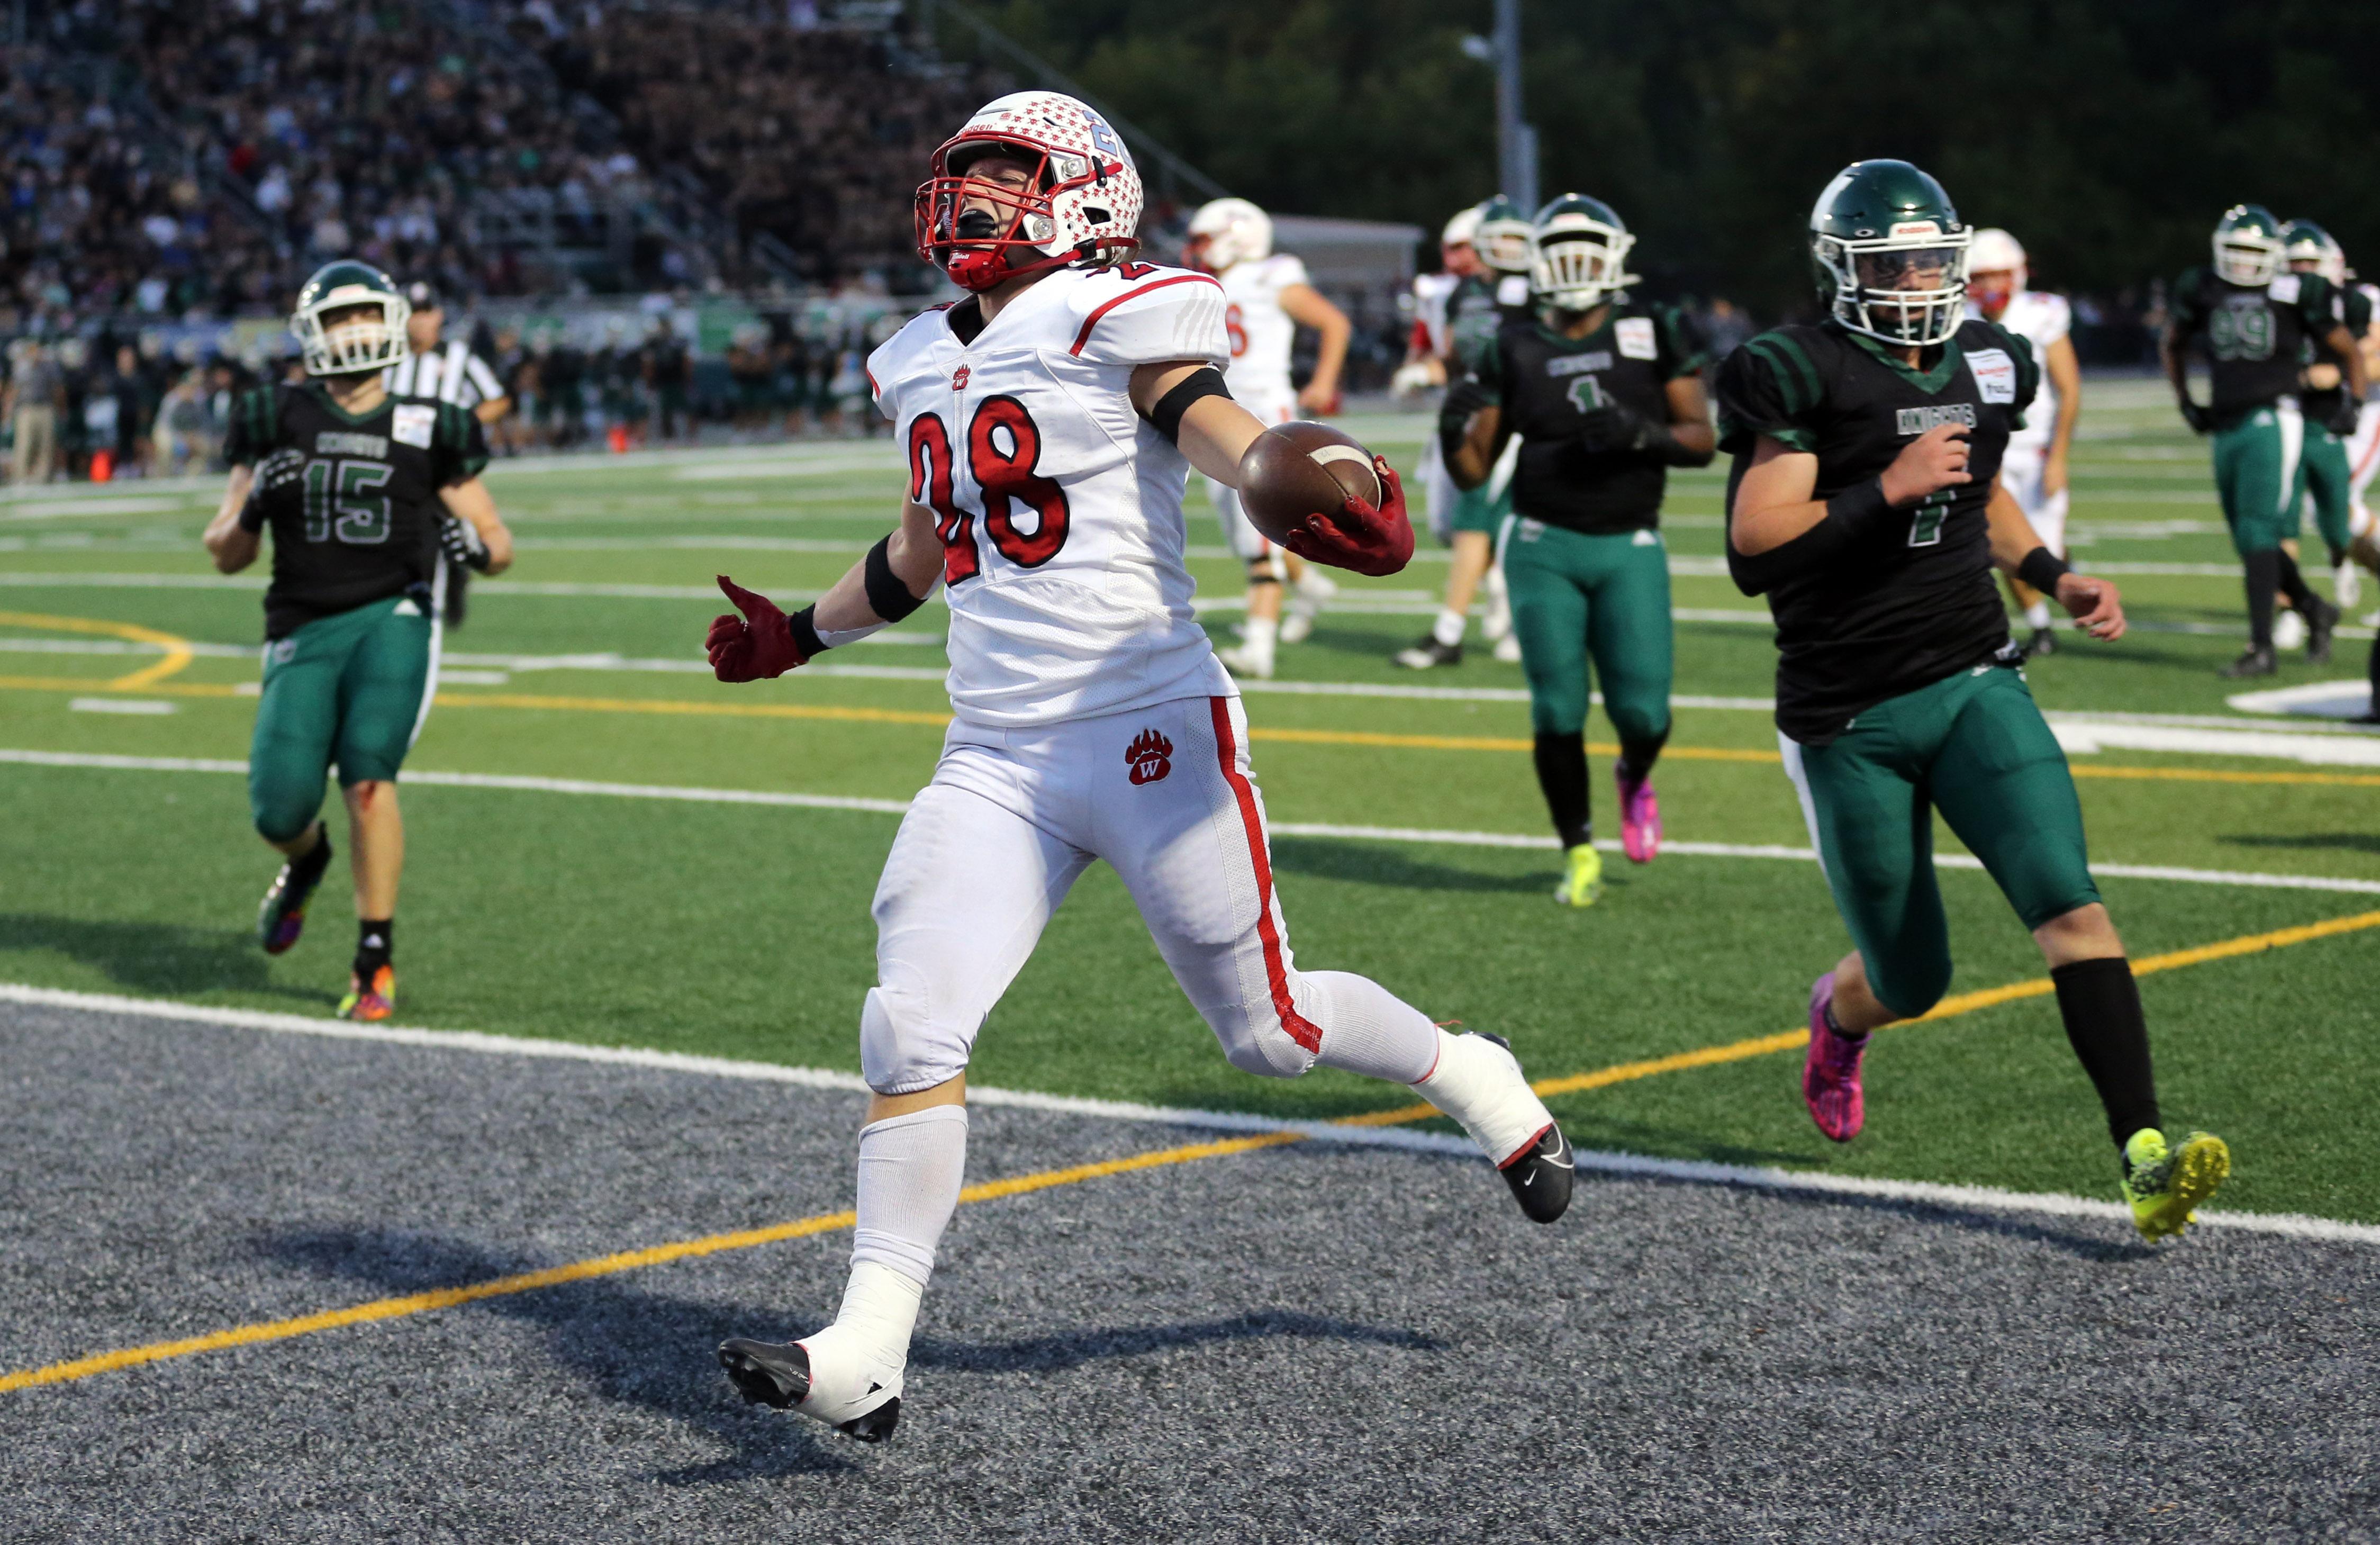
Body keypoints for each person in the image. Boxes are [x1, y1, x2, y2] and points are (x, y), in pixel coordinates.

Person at [704, 92, 1575, 1444]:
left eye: (1008, 173)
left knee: (1271, 1035)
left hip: (1149, 728)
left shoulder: (1123, 314)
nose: (974, 197)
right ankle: (868, 1344)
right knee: (909, 1024)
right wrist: (802, 635)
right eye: (967, 173)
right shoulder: (917, 360)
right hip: (993, 750)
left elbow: (1223, 433)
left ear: (1087, 197)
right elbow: (926, 552)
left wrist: (1302, 472)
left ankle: (1470, 1072)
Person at [1717, 159, 2230, 1244]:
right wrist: (1882, 489)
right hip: (1848, 717)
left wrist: (2050, 574)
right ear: (1840, 269)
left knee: (2071, 906)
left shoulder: (1993, 358)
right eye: (1889, 260)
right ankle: (1837, 1016)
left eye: (1926, 259)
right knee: (1911, 977)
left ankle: (2141, 1156)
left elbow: (1984, 482)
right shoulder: (1796, 369)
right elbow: (1756, 547)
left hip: (1972, 676)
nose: (1912, 279)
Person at [201, 261, 514, 1023]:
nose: (355, 331)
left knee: (369, 777)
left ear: (392, 320)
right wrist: (253, 511)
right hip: (302, 624)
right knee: (279, 809)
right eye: (338, 319)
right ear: (312, 331)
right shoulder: (273, 413)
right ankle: (306, 862)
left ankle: (374, 954)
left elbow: (498, 537)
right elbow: (223, 549)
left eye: (364, 315)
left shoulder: (429, 421)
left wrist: (474, 550)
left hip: (393, 618)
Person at [1440, 194, 1712, 907]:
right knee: (1556, 709)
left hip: (1630, 542)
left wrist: (1640, 432)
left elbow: (1700, 438)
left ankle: (1634, 772)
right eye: (1561, 249)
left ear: (1615, 255)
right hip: (1542, 543)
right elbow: (1476, 467)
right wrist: (1450, 442)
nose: (1575, 264)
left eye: (1589, 249)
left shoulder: (1655, 327)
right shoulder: (1515, 343)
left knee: (1644, 713)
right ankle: (1578, 847)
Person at [2161, 205, 2367, 676]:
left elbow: (2347, 348)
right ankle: (2315, 609)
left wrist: (2352, 403)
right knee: (2249, 540)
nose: (2242, 262)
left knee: (2259, 530)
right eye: (2235, 250)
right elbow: (2171, 341)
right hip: (2225, 421)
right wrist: (2185, 401)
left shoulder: (2295, 290)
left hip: (2274, 416)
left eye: (2253, 251)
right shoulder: (2203, 286)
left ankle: (2261, 647)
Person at [1184, 197, 1351, 679]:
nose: (1197, 249)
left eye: (1204, 239)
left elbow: (1333, 323)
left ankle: (1260, 643)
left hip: (1264, 412)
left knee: (1256, 535)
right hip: (1221, 412)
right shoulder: (1208, 283)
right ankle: (1308, 583)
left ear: (1239, 234)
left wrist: (1322, 382)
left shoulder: (1271, 274)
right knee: (1246, 530)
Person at [1397, 194, 1535, 669]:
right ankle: (1509, 615)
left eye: (1518, 238)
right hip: (1471, 414)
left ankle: (1451, 631)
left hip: (1521, 420)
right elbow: (1453, 356)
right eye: (1501, 239)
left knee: (1483, 524)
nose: (1511, 248)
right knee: (1462, 523)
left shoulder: (1541, 289)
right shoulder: (1465, 291)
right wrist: (1425, 372)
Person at [1965, 229, 2082, 656]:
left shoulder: (2040, 312)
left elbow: (2068, 388)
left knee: (2044, 553)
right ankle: (2040, 628)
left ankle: (2064, 574)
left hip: (2035, 447)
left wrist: (2058, 458)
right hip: (1989, 447)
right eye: (1982, 275)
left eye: (1999, 274)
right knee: (2005, 546)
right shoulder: (1958, 315)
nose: (1992, 285)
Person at [2277, 221, 2370, 624]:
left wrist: (2339, 375)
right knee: (2285, 518)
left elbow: (2364, 357)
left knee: (2336, 517)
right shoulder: (2273, 302)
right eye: (2293, 263)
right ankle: (2290, 611)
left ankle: (2342, 562)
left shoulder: (2355, 303)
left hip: (2339, 419)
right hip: (2286, 420)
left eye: (2309, 263)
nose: (2301, 272)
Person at [384, 282, 512, 428]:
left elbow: (498, 401)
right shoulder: (388, 357)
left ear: (439, 315)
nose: (419, 321)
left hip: (446, 449)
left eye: (426, 312)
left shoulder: (460, 355)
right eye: (413, 312)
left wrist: (462, 427)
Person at [5, 340, 64, 485]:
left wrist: (60, 408)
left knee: (45, 444)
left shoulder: (49, 368)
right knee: (25, 443)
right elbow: (13, 390)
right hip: (26, 409)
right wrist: (9, 410)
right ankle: (20, 477)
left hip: (45, 407)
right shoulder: (21, 368)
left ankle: (41, 478)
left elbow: (57, 390)